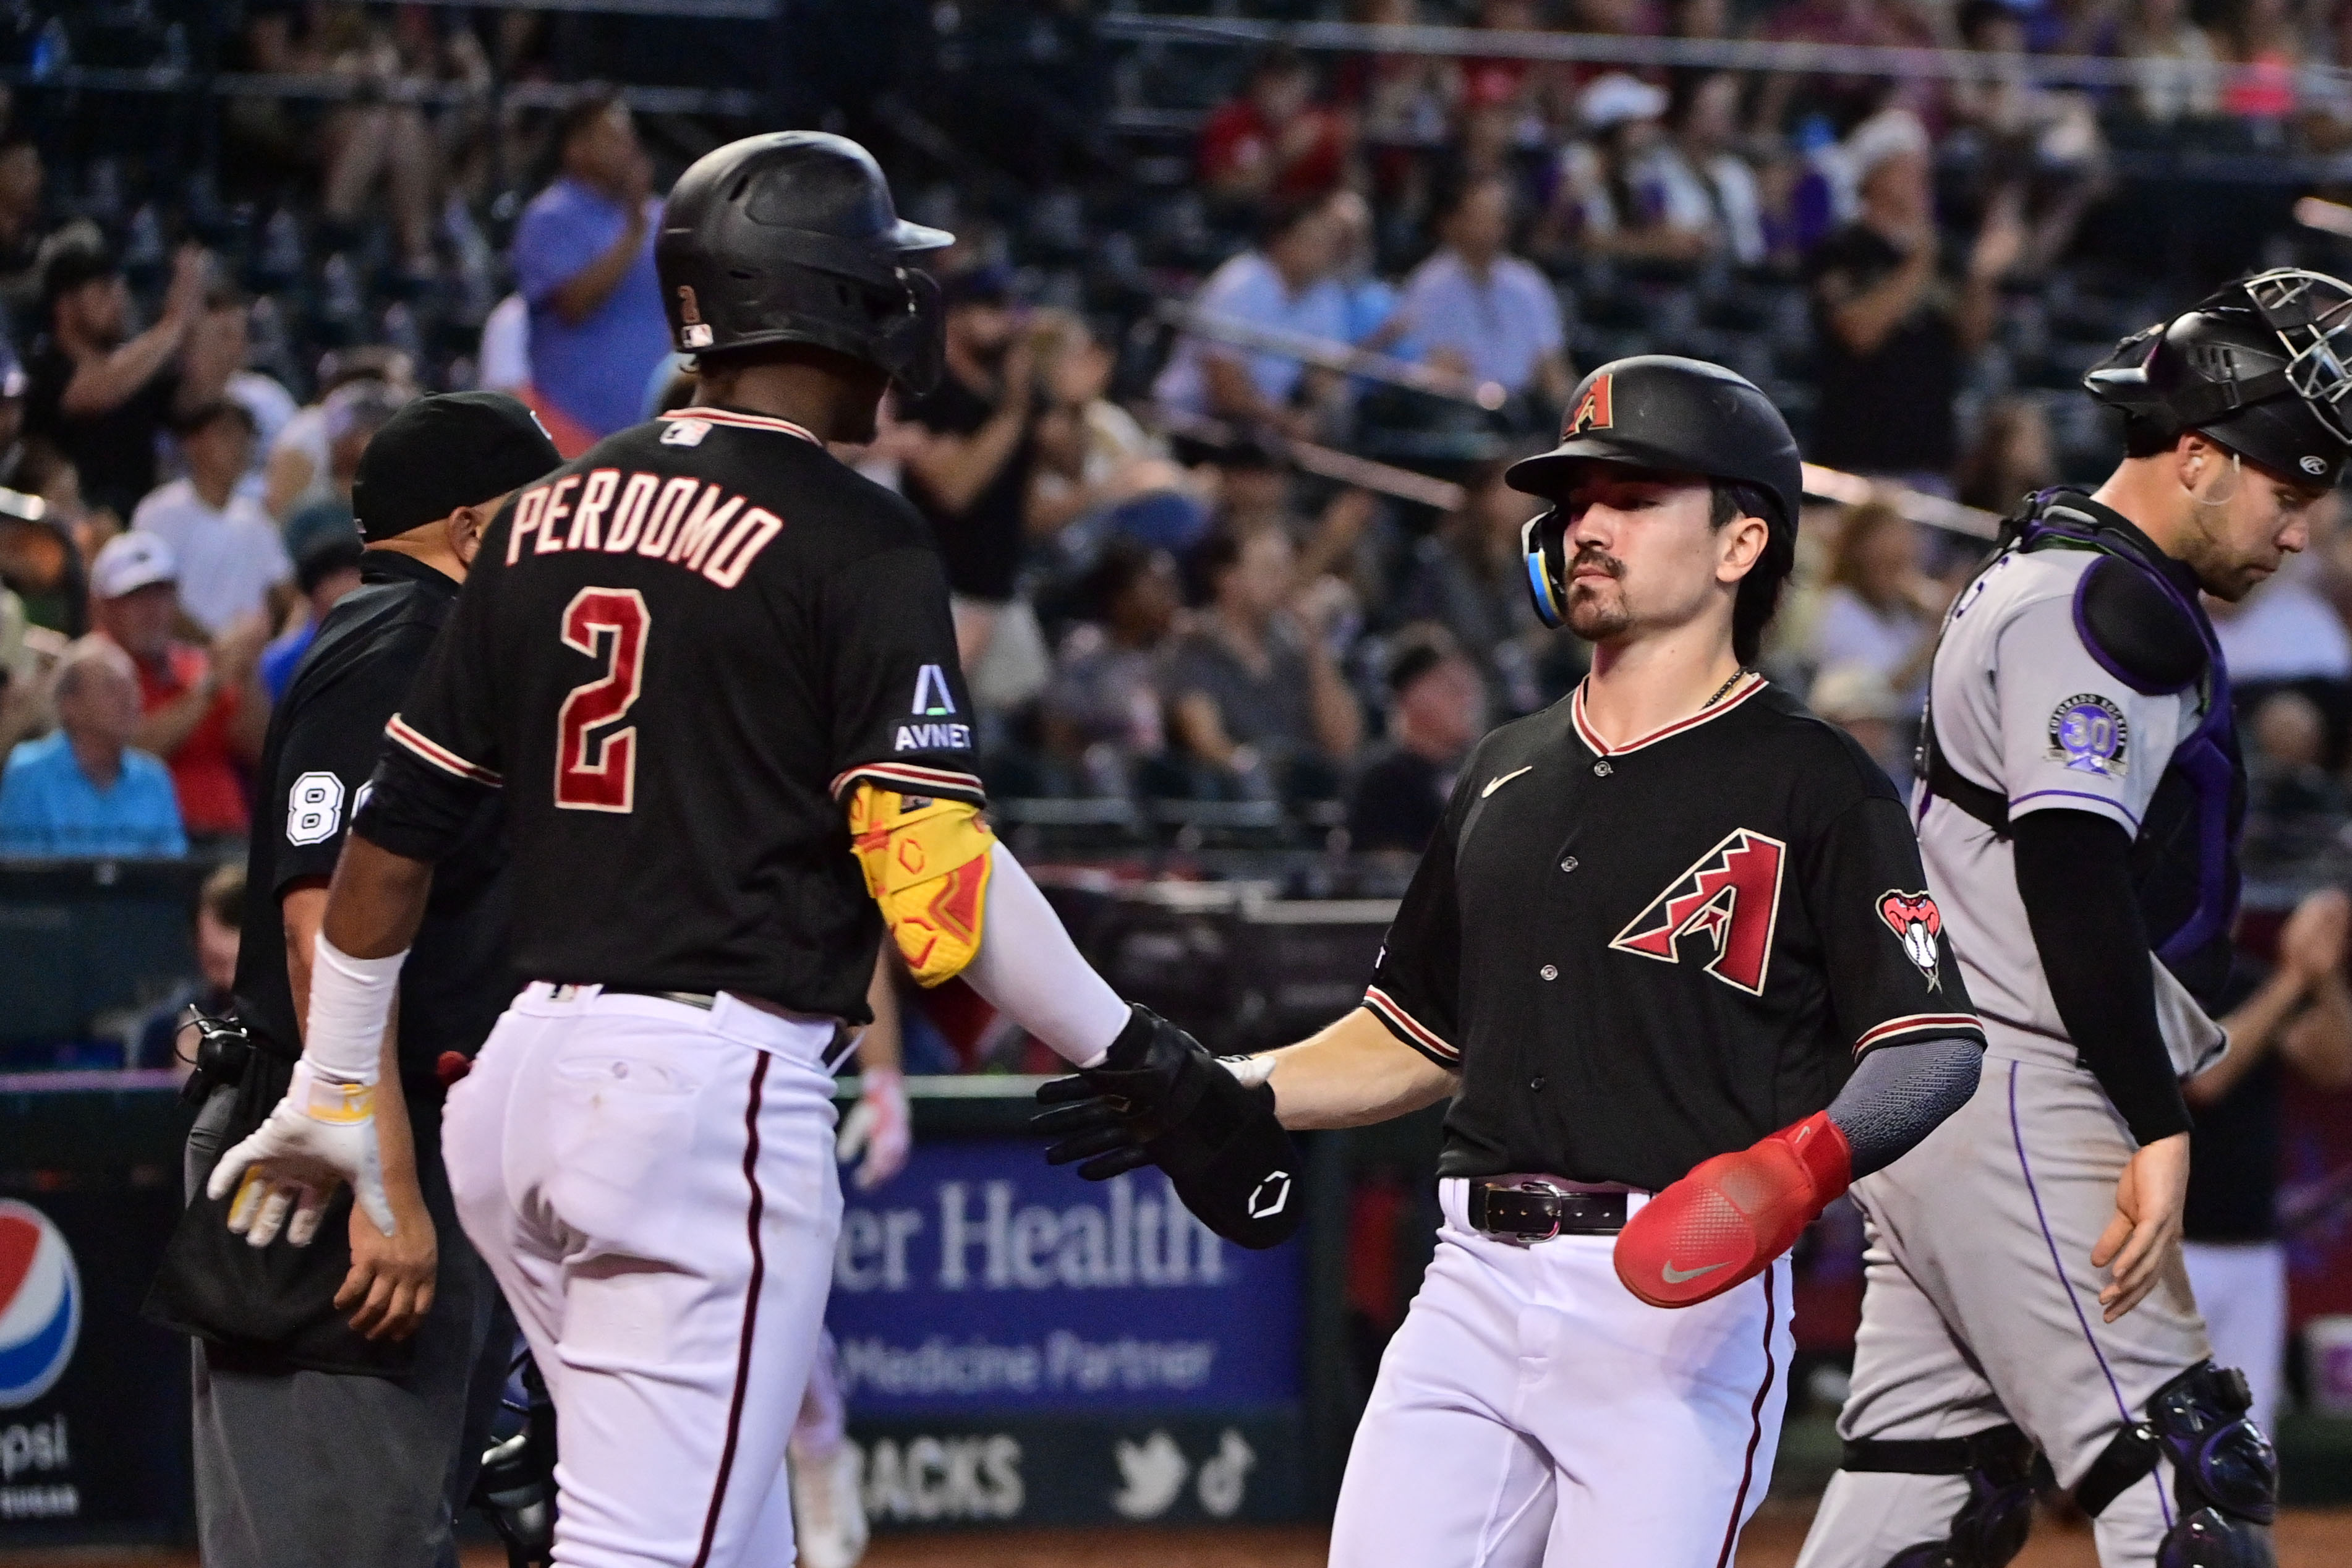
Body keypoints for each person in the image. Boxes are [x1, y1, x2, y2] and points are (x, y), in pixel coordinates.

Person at [205, 131, 1263, 1568]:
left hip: (519, 1090)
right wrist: (1138, 1055)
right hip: (697, 1093)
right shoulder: (855, 535)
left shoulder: (540, 516)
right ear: (825, 299)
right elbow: (934, 886)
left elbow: (394, 834)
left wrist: (337, 1075)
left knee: (734, 1530)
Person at [1039, 356, 1987, 1566]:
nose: (1587, 522)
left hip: (1674, 1312)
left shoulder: (1817, 782)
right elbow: (1417, 1031)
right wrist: (1239, 1079)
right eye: (1577, 497)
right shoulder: (1502, 768)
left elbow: (1932, 1042)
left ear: (1742, 541)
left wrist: (1801, 1167)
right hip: (1471, 1286)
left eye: (1635, 496)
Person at [1796, 270, 2352, 1568]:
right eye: (2289, 491)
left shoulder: (2059, 576)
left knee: (1924, 1496)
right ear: (2201, 455)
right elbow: (2069, 869)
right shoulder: (2093, 608)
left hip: (1949, 1077)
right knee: (2189, 1484)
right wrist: (2155, 1118)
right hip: (2021, 1083)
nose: (2300, 533)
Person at [147, 391, 562, 1568]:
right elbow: (322, 918)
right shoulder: (398, 642)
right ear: (476, 530)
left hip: (406, 1131)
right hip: (334, 1152)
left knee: (393, 1529)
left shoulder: (449, 647)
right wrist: (379, 1176)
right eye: (545, 514)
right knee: (340, 1547)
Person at [2184, 888, 2352, 1436]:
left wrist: (2321, 974)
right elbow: (2206, 1079)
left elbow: (2337, 1067)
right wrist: (2292, 981)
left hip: (2254, 1247)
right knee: (2163, 1423)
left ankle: (2239, 1525)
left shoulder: (2256, 982)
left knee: (2250, 1430)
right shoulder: (2159, 984)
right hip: (2170, 1245)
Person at [1807, 109, 2020, 489]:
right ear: (1875, 176)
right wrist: (1918, 264)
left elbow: (1972, 338)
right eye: (1906, 167)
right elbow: (1858, 332)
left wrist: (1981, 276)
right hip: (1860, 455)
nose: (1921, 179)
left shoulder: (1944, 255)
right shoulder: (1842, 249)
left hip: (1929, 455)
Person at [895, 266, 1044, 678]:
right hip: (943, 589)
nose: (1004, 320)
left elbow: (1036, 500)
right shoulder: (928, 391)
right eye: (990, 307)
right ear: (954, 314)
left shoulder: (1011, 395)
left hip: (999, 588)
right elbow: (957, 490)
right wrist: (1015, 411)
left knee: (1023, 700)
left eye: (1008, 309)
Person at [25, 239, 239, 522]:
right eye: (103, 290)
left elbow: (199, 401)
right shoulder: (43, 366)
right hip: (74, 528)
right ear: (65, 305)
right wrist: (173, 324)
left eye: (119, 289)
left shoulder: (136, 369)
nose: (118, 300)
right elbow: (94, 392)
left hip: (142, 526)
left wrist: (198, 327)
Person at [514, 87, 670, 452]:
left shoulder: (662, 215)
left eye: (629, 135)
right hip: (569, 432)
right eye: (612, 137)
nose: (628, 147)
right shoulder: (549, 218)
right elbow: (575, 304)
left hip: (648, 435)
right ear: (575, 150)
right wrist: (634, 229)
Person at [88, 531, 270, 840]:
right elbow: (128, 753)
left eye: (161, 594)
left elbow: (259, 750)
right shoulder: (92, 669)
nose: (152, 609)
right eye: (135, 597)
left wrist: (246, 672)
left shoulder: (195, 664)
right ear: (105, 608)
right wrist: (210, 688)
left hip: (227, 839)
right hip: (148, 850)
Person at [1162, 524, 1361, 800]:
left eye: (1286, 569)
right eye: (1270, 570)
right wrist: (1263, 775)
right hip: (1239, 800)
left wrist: (1317, 647)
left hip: (1308, 793)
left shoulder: (1296, 648)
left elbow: (1343, 743)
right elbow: (1206, 742)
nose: (1284, 582)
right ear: (1228, 578)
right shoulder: (1196, 648)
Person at [1151, 199, 1350, 440]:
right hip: (1190, 422)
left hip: (1261, 430)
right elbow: (1225, 392)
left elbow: (1326, 377)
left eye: (1328, 243)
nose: (1324, 251)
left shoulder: (1325, 294)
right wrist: (1288, 420)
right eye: (1313, 240)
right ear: (1281, 242)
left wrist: (1320, 415)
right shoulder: (1240, 282)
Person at [0, 634, 185, 856]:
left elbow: (171, 875)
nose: (129, 699)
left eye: (133, 685)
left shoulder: (154, 781)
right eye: (112, 687)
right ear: (70, 704)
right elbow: (20, 877)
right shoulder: (29, 774)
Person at [1398, 176, 1572, 408]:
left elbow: (1553, 367)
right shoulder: (1430, 285)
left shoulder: (1528, 283)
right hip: (1465, 411)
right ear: (1455, 221)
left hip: (1528, 408)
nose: (1492, 228)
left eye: (1498, 217)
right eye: (1480, 216)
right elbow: (1437, 371)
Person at [130, 399, 295, 637]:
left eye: (245, 436)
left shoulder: (258, 518)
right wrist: (213, 647)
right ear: (192, 443)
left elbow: (286, 594)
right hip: (184, 658)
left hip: (251, 659)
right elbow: (151, 595)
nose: (239, 445)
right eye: (226, 434)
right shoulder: (159, 511)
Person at [1345, 626, 1487, 854]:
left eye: (1470, 690)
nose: (1468, 702)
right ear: (1414, 695)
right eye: (1454, 688)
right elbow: (1389, 873)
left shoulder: (1476, 773)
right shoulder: (1386, 782)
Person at [1810, 500, 1943, 713]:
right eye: (1885, 564)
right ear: (1859, 559)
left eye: (1901, 565)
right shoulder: (1839, 610)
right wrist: (1936, 634)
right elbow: (1874, 695)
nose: (1896, 578)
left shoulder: (1904, 613)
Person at [1196, 43, 1352, 210]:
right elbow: (1219, 191)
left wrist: (1350, 152)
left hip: (1306, 215)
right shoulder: (1229, 120)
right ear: (1257, 82)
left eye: (1290, 79)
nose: (1282, 89)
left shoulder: (1324, 125)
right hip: (1244, 217)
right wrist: (1282, 155)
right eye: (1274, 79)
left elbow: (1352, 189)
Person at [133, 862, 244, 1072]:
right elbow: (144, 1102)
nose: (230, 978)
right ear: (196, 944)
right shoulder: (164, 1031)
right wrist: (186, 1078)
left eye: (239, 964)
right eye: (217, 963)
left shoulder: (297, 1026)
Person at [259, 532, 368, 703]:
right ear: (313, 593)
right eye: (336, 577)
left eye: (353, 575)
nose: (349, 587)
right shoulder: (282, 663)